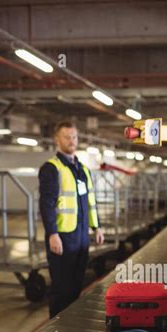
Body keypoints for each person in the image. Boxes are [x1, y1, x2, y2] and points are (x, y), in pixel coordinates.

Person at [39, 121, 104, 318]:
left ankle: (71, 327)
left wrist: (97, 226)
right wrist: (52, 234)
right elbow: (46, 204)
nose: (71, 141)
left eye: (74, 137)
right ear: (57, 140)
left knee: (77, 285)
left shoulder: (82, 169)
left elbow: (90, 200)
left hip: (82, 235)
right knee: (61, 289)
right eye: (67, 137)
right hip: (63, 237)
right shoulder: (52, 169)